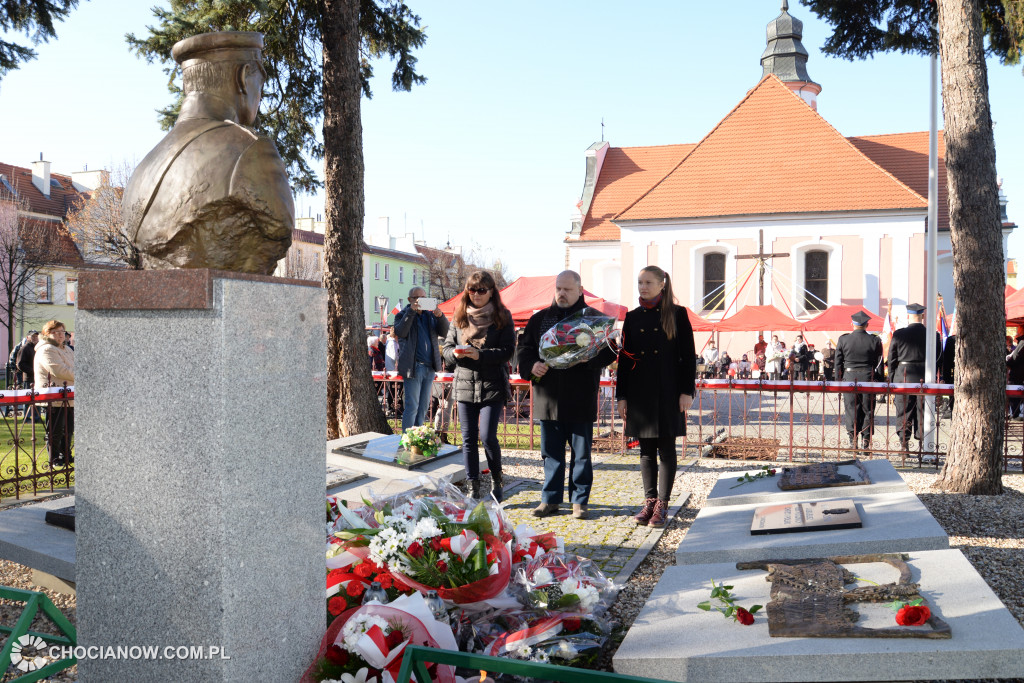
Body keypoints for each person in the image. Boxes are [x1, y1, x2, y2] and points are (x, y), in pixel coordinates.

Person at [123, 31, 292, 274]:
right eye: (260, 84)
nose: (260, 97)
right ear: (243, 78)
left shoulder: (143, 168)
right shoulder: (251, 149)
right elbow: (280, 226)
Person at [517, 270, 617, 520]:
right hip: (548, 396)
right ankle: (549, 499)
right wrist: (531, 366)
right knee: (550, 452)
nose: (561, 293)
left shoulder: (595, 320)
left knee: (581, 453)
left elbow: (606, 355)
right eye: (558, 288)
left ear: (580, 291)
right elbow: (524, 351)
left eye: (567, 289)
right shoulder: (539, 319)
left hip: (580, 394)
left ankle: (579, 501)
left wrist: (600, 349)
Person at [616, 266, 696, 528]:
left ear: (662, 284)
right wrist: (622, 396)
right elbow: (625, 362)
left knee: (666, 449)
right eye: (639, 282)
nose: (643, 287)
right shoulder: (632, 317)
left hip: (668, 392)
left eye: (648, 282)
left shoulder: (678, 314)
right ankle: (649, 501)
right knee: (646, 451)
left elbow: (687, 357)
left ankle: (663, 504)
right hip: (639, 393)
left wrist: (687, 391)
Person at [442, 271, 515, 501]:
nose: (476, 294)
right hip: (464, 384)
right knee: (468, 438)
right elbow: (445, 348)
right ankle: (473, 487)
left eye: (481, 290)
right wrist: (454, 353)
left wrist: (480, 355)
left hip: (492, 384)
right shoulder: (459, 316)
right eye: (472, 290)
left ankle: (496, 480)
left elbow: (507, 351)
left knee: (487, 436)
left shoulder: (503, 316)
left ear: (492, 291)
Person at [394, 286, 450, 432]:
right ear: (410, 300)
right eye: (417, 298)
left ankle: (417, 437)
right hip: (414, 367)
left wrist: (441, 316)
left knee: (424, 406)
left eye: (424, 298)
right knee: (412, 405)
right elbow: (401, 331)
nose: (421, 301)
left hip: (429, 367)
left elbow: (445, 332)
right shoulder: (402, 315)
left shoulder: (430, 316)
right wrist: (411, 312)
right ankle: (406, 438)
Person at [887, 303, 941, 449]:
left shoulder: (899, 334)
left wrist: (891, 379)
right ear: (923, 316)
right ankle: (922, 441)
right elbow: (937, 358)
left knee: (903, 411)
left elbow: (891, 359)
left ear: (908, 316)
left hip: (903, 376)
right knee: (923, 410)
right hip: (924, 375)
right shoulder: (933, 334)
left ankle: (904, 442)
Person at [836, 311, 883, 452]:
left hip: (849, 377)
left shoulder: (844, 339)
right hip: (868, 377)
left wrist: (838, 381)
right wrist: (879, 380)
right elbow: (879, 362)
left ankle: (853, 441)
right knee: (868, 410)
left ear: (852, 324)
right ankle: (866, 442)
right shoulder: (875, 340)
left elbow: (838, 362)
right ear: (867, 325)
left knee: (851, 409)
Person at [34, 320, 74, 468]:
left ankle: (66, 455)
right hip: (53, 396)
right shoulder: (47, 349)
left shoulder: (67, 349)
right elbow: (59, 370)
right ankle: (54, 457)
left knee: (68, 429)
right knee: (55, 430)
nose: (60, 335)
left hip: (68, 395)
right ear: (46, 334)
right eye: (55, 332)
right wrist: (82, 375)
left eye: (62, 332)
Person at [1007, 334, 1024, 419]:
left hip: (1017, 375)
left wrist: (1009, 362)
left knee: (1014, 395)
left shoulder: (1022, 347)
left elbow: (1015, 358)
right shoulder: (1020, 346)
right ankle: (1015, 413)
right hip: (1018, 374)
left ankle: (1015, 414)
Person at [940, 332, 957, 418]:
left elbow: (946, 363)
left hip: (955, 378)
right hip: (955, 376)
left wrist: (946, 380)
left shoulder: (952, 340)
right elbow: (946, 362)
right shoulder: (951, 340)